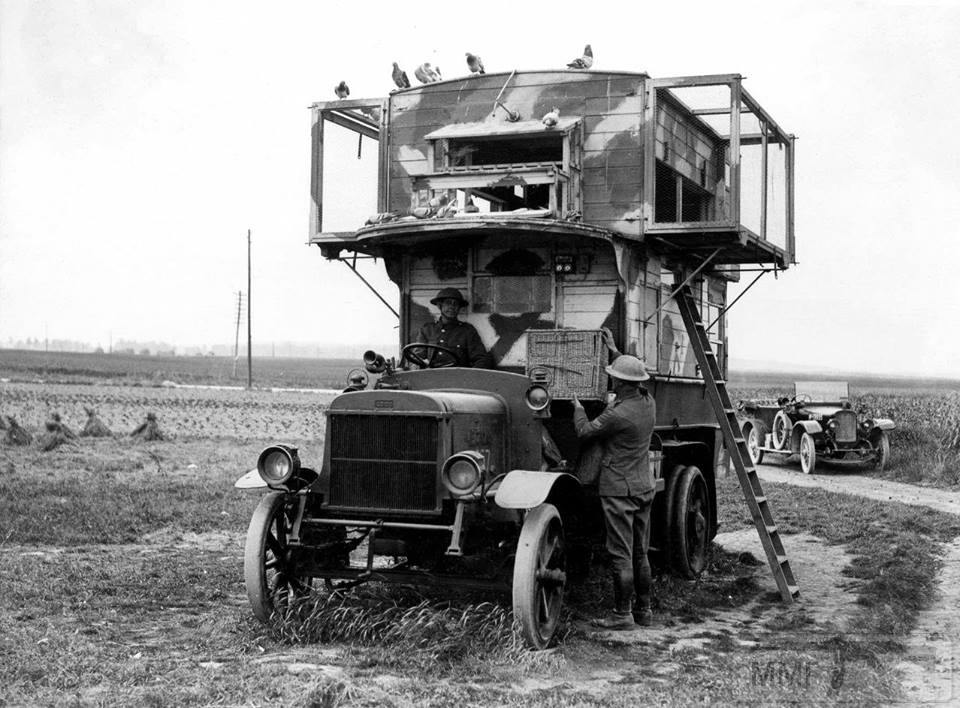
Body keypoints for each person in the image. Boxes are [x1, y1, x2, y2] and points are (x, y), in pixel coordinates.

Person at [572, 353, 656, 630]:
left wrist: (577, 407)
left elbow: (584, 432)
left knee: (620, 554)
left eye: (614, 376)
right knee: (640, 552)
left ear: (619, 382)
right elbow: (636, 379)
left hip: (618, 489)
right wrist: (615, 350)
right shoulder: (648, 402)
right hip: (643, 485)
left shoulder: (617, 414)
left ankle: (622, 615)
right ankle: (644, 611)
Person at [415, 288, 492, 368]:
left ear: (459, 308)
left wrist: (469, 378)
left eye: (456, 304)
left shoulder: (467, 330)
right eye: (448, 303)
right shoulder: (427, 329)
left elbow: (481, 359)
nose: (452, 307)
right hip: (432, 376)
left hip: (458, 378)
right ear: (440, 306)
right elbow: (418, 357)